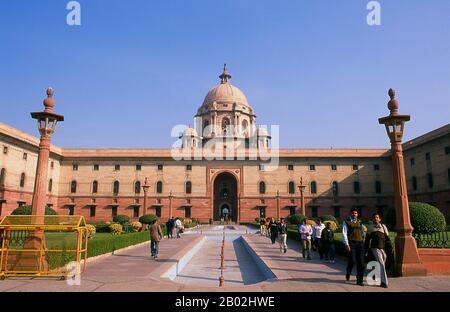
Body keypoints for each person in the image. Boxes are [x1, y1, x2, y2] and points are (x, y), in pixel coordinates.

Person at [364, 213, 390, 288]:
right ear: (372, 219)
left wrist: (390, 248)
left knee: (382, 262)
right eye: (374, 217)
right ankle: (384, 282)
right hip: (375, 248)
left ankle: (375, 275)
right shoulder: (370, 227)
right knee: (381, 263)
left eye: (377, 217)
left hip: (383, 248)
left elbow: (387, 238)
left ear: (380, 219)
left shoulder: (383, 227)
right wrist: (365, 250)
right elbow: (367, 240)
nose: (376, 219)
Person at [342, 208, 365, 286]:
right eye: (353, 213)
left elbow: (362, 231)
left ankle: (359, 280)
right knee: (352, 260)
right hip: (352, 243)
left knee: (361, 263)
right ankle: (348, 271)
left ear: (357, 214)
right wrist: (346, 244)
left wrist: (362, 238)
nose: (354, 214)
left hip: (360, 243)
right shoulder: (346, 222)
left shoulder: (360, 222)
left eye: (356, 213)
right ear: (350, 213)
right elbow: (344, 233)